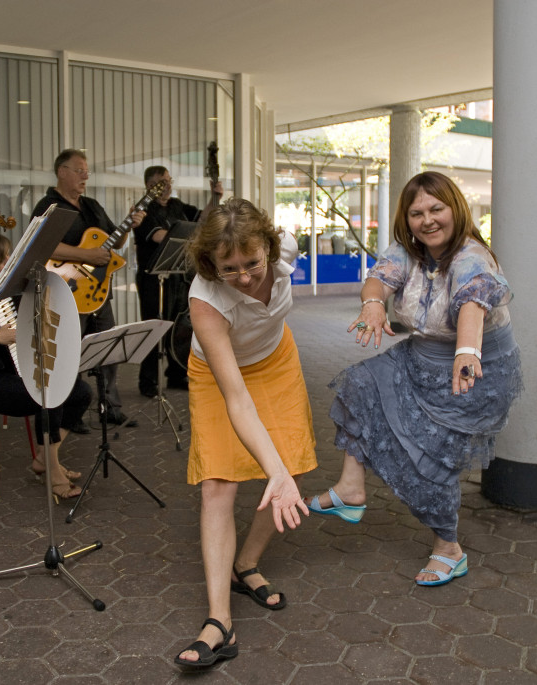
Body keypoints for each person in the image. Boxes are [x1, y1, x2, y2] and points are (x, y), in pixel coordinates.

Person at [305, 171, 523, 587]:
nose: (427, 220)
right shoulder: (410, 251)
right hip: (422, 358)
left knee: (432, 458)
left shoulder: (471, 257)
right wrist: (373, 304)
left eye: (436, 209)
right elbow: (379, 277)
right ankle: (351, 490)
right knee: (360, 383)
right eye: (417, 212)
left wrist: (466, 352)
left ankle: (449, 549)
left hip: (473, 370)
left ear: (455, 209)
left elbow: (473, 303)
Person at [174, 198, 316, 670]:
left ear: (270, 249)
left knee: (290, 469)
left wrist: (278, 470)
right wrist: (267, 468)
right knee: (219, 484)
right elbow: (237, 399)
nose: (245, 276)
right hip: (221, 376)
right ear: (211, 263)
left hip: (275, 360)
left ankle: (246, 563)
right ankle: (220, 621)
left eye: (252, 263)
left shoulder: (285, 250)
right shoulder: (205, 299)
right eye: (229, 268)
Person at [0, 229, 93, 500]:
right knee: (48, 394)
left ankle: (46, 458)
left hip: (14, 374)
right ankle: (52, 469)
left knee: (80, 392)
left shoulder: (6, 287)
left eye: (7, 256)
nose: (7, 262)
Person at [31, 149, 145, 428]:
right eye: (79, 170)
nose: (85, 176)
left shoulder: (91, 205)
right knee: (70, 351)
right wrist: (86, 256)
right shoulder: (49, 206)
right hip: (66, 290)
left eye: (87, 172)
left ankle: (111, 407)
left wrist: (128, 226)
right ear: (62, 172)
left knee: (109, 347)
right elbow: (41, 244)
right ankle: (73, 413)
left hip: (97, 291)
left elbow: (113, 242)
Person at [134, 165, 223, 397]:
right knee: (154, 326)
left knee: (177, 328)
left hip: (177, 277)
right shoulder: (144, 209)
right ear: (150, 186)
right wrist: (191, 235)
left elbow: (203, 219)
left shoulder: (177, 206)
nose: (168, 186)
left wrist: (216, 197)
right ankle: (148, 381)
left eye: (169, 180)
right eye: (163, 182)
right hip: (153, 277)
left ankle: (175, 375)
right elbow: (160, 236)